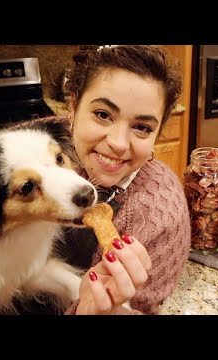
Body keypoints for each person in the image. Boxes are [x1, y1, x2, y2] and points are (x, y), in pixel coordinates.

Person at [52, 45, 191, 315]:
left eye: (142, 127)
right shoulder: (37, 142)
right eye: (103, 114)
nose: (117, 143)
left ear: (157, 135)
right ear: (73, 107)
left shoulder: (161, 216)